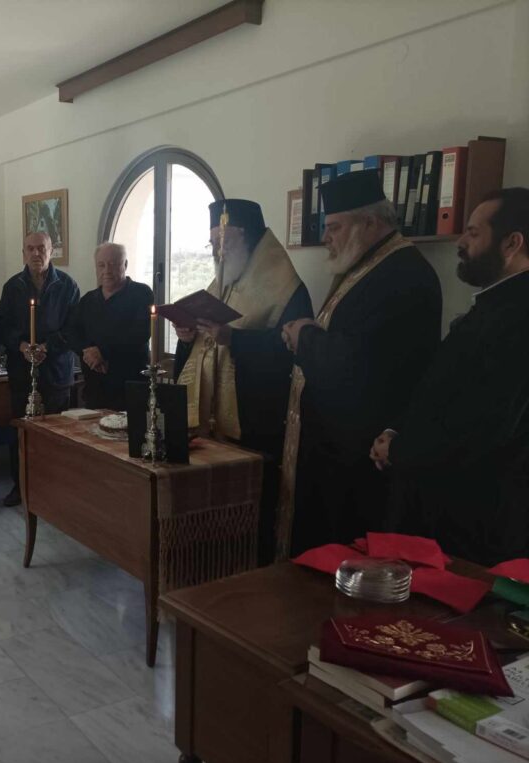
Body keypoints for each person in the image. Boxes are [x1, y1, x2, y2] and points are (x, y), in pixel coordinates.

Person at [278, 169, 441, 557]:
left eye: (334, 227)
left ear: (369, 222)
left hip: (362, 457)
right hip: (337, 451)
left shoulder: (404, 274)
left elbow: (361, 364)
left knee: (347, 557)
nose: (326, 238)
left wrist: (305, 338)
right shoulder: (368, 265)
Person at [371, 189, 529, 565]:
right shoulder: (495, 305)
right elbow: (441, 390)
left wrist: (400, 450)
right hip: (446, 503)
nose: (460, 242)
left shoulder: (518, 319)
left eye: (473, 233)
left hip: (472, 520)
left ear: (512, 243)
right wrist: (396, 432)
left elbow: (483, 424)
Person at [173, 199, 313, 563]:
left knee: (252, 516)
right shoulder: (223, 282)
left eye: (224, 242)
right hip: (213, 425)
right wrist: (187, 337)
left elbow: (291, 352)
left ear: (249, 239)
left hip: (255, 422)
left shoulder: (286, 289)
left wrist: (234, 339)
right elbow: (203, 347)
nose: (217, 252)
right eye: (212, 243)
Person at [0, 231, 80, 506]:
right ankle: (20, 486)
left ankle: (54, 488)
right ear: (23, 253)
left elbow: (75, 328)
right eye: (30, 249)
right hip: (22, 372)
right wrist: (21, 345)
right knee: (21, 432)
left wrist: (47, 347)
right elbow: (0, 326)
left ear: (51, 251)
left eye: (41, 248)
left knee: (55, 433)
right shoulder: (13, 286)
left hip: (56, 373)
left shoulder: (67, 286)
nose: (35, 253)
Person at [66, 242, 153, 410]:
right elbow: (71, 333)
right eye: (101, 265)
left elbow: (140, 333)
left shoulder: (142, 294)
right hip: (95, 389)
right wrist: (88, 352)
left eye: (113, 264)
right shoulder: (88, 300)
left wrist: (103, 352)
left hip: (130, 388)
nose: (107, 270)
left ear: (125, 264)